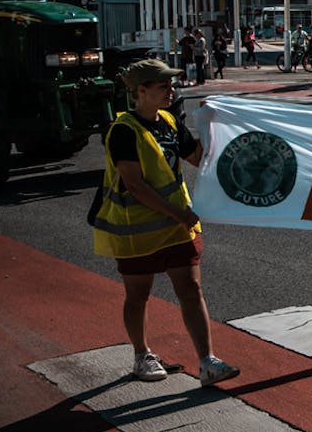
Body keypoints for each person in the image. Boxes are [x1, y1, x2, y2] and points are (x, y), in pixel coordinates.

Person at [92, 59, 239, 388]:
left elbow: (195, 158)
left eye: (171, 85)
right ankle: (142, 354)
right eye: (163, 87)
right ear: (140, 92)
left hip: (176, 226)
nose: (171, 90)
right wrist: (179, 214)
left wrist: (213, 127)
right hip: (138, 229)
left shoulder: (170, 121)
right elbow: (135, 184)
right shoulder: (123, 131)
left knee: (191, 290)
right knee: (138, 294)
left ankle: (207, 361)